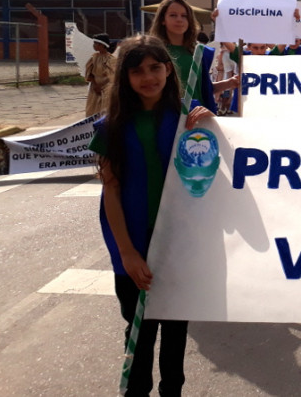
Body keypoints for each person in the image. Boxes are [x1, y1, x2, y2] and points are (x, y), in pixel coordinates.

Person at [90, 35, 214, 396]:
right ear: (125, 77)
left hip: (179, 245)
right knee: (139, 333)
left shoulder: (187, 117)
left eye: (155, 68)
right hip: (133, 246)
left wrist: (209, 123)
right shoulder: (111, 126)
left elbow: (211, 170)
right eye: (137, 71)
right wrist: (127, 253)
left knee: (175, 333)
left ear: (168, 70)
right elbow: (111, 190)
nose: (148, 77)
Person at [150, 0, 237, 114]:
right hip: (167, 117)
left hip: (198, 118)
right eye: (173, 15)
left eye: (184, 16)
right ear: (162, 20)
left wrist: (229, 83)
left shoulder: (199, 51)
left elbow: (203, 90)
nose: (179, 19)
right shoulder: (154, 52)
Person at [85, 33, 116, 117]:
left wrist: (102, 86)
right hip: (94, 88)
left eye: (95, 43)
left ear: (102, 45)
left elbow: (112, 76)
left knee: (104, 110)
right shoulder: (94, 57)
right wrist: (95, 84)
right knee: (92, 109)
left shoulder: (111, 59)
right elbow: (90, 73)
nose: (94, 45)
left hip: (106, 89)